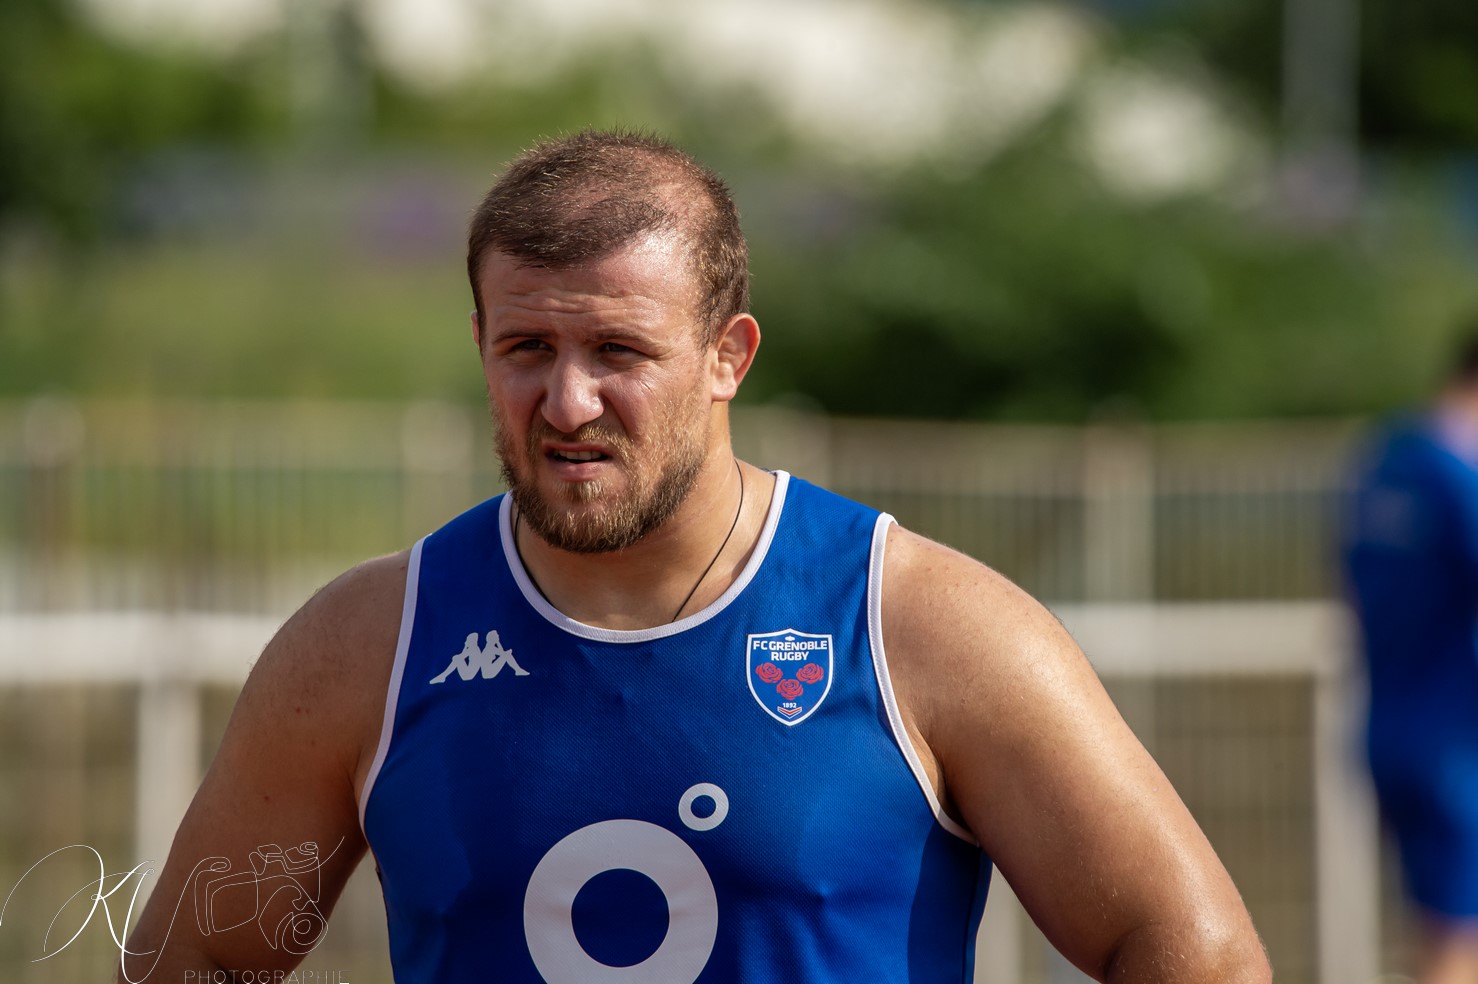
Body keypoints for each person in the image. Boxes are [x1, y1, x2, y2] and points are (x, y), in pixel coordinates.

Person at [118, 130, 1268, 983]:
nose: (567, 400)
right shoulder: (369, 642)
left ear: (728, 356)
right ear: (478, 342)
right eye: (526, 347)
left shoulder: (916, 625)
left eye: (619, 349)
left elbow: (1191, 949)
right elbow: (196, 961)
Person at [1344, 332, 1478, 984]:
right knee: (1456, 948)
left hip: (1388, 727)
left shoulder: (1384, 462)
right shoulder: (1459, 478)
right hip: (1455, 747)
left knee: (1430, 934)